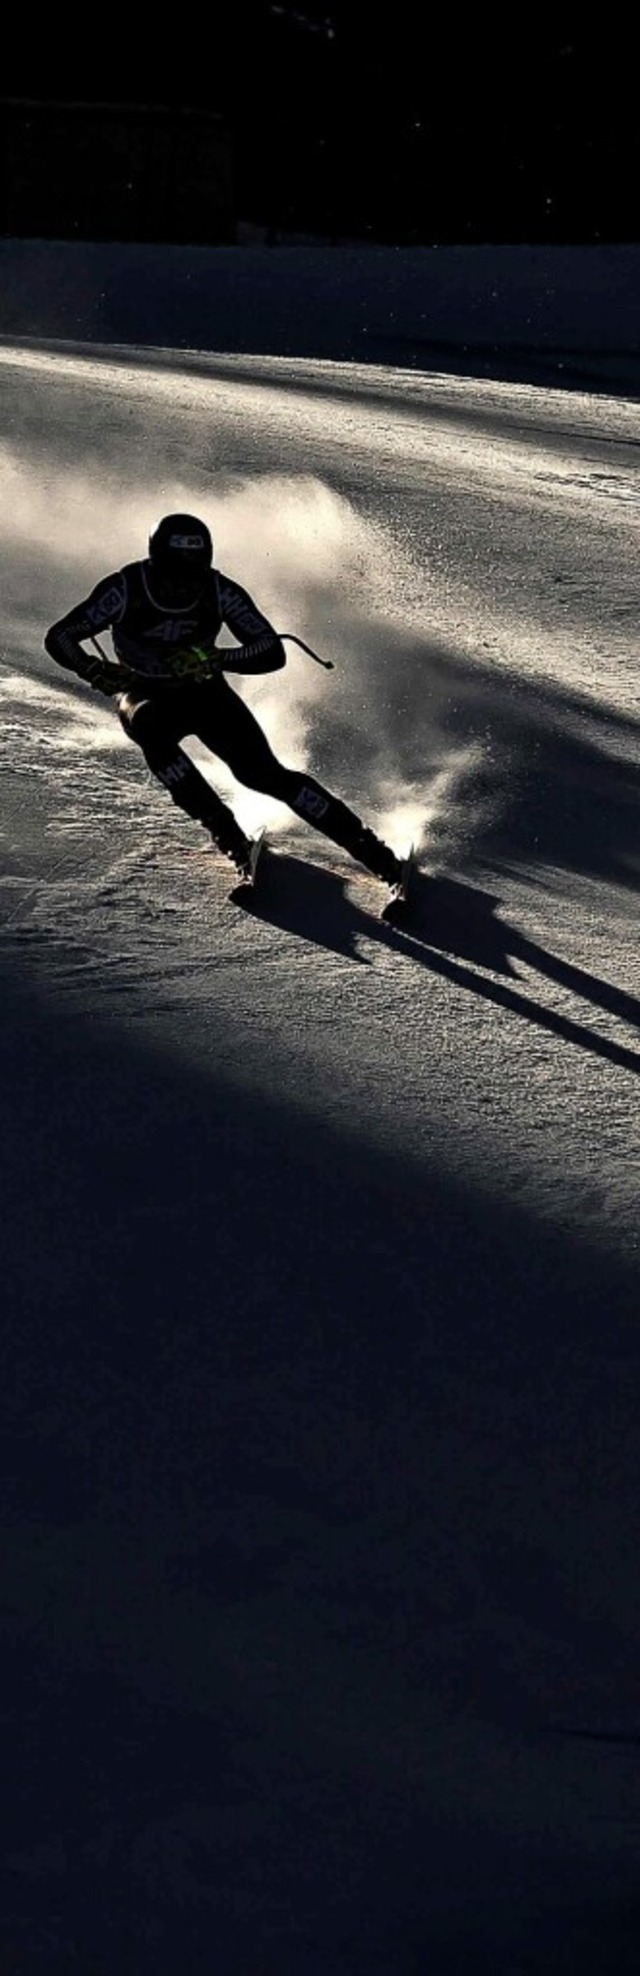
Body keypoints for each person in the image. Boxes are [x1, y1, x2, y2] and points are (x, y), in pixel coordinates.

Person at [44, 511, 403, 886]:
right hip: (144, 692)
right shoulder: (125, 588)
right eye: (174, 576)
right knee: (149, 727)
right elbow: (62, 635)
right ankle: (227, 834)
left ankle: (370, 850)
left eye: (194, 574)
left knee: (263, 775)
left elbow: (270, 650)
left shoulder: (218, 590)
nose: (184, 586)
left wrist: (217, 657)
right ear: (155, 563)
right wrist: (90, 669)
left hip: (205, 693)